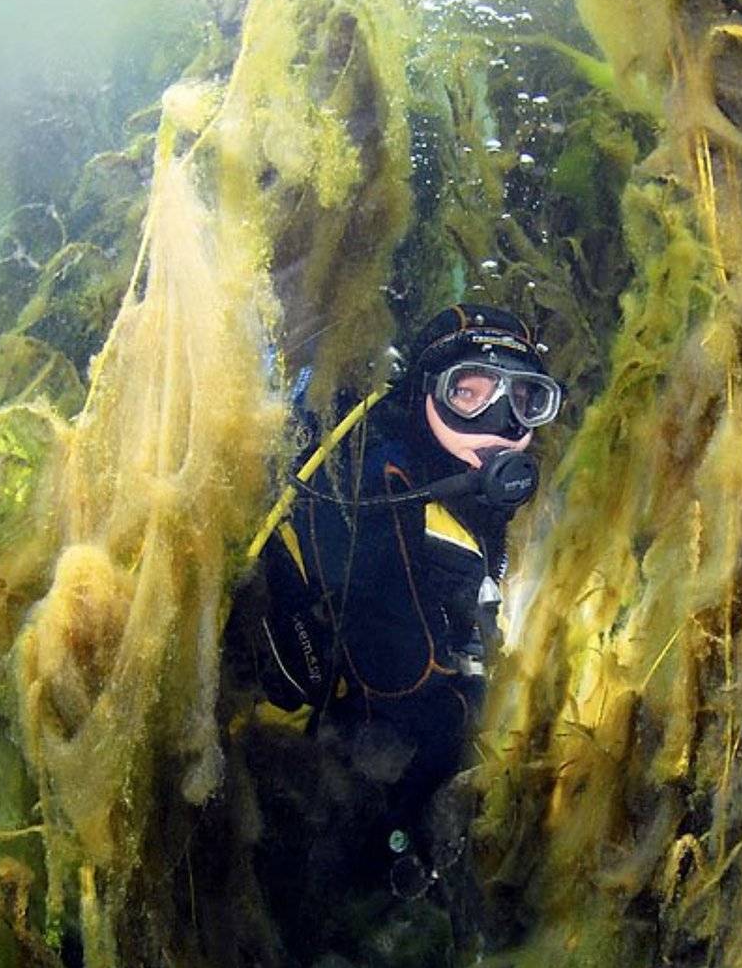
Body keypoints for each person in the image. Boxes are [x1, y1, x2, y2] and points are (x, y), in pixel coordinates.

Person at [228, 303, 561, 890]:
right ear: (424, 393)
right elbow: (405, 681)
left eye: (526, 401)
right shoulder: (383, 482)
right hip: (278, 780)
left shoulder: (445, 484)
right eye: (471, 393)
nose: (500, 424)